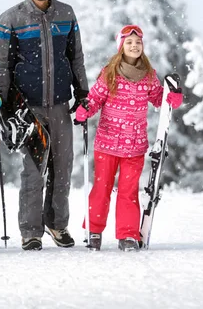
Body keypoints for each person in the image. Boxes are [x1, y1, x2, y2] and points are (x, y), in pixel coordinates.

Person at [0, 0, 89, 251]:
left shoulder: (66, 13)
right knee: (34, 170)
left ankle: (57, 224)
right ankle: (31, 231)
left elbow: (76, 57)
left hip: (60, 104)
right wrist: (3, 102)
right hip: (28, 108)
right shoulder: (11, 18)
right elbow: (1, 65)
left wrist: (82, 93)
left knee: (63, 167)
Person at [73, 24, 183, 252]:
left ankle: (128, 235)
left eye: (138, 42)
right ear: (121, 47)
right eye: (129, 42)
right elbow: (95, 98)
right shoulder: (110, 72)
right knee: (101, 188)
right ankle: (94, 231)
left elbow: (158, 99)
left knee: (128, 191)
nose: (134, 46)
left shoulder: (149, 75)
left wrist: (172, 98)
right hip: (107, 143)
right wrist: (85, 110)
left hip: (134, 146)